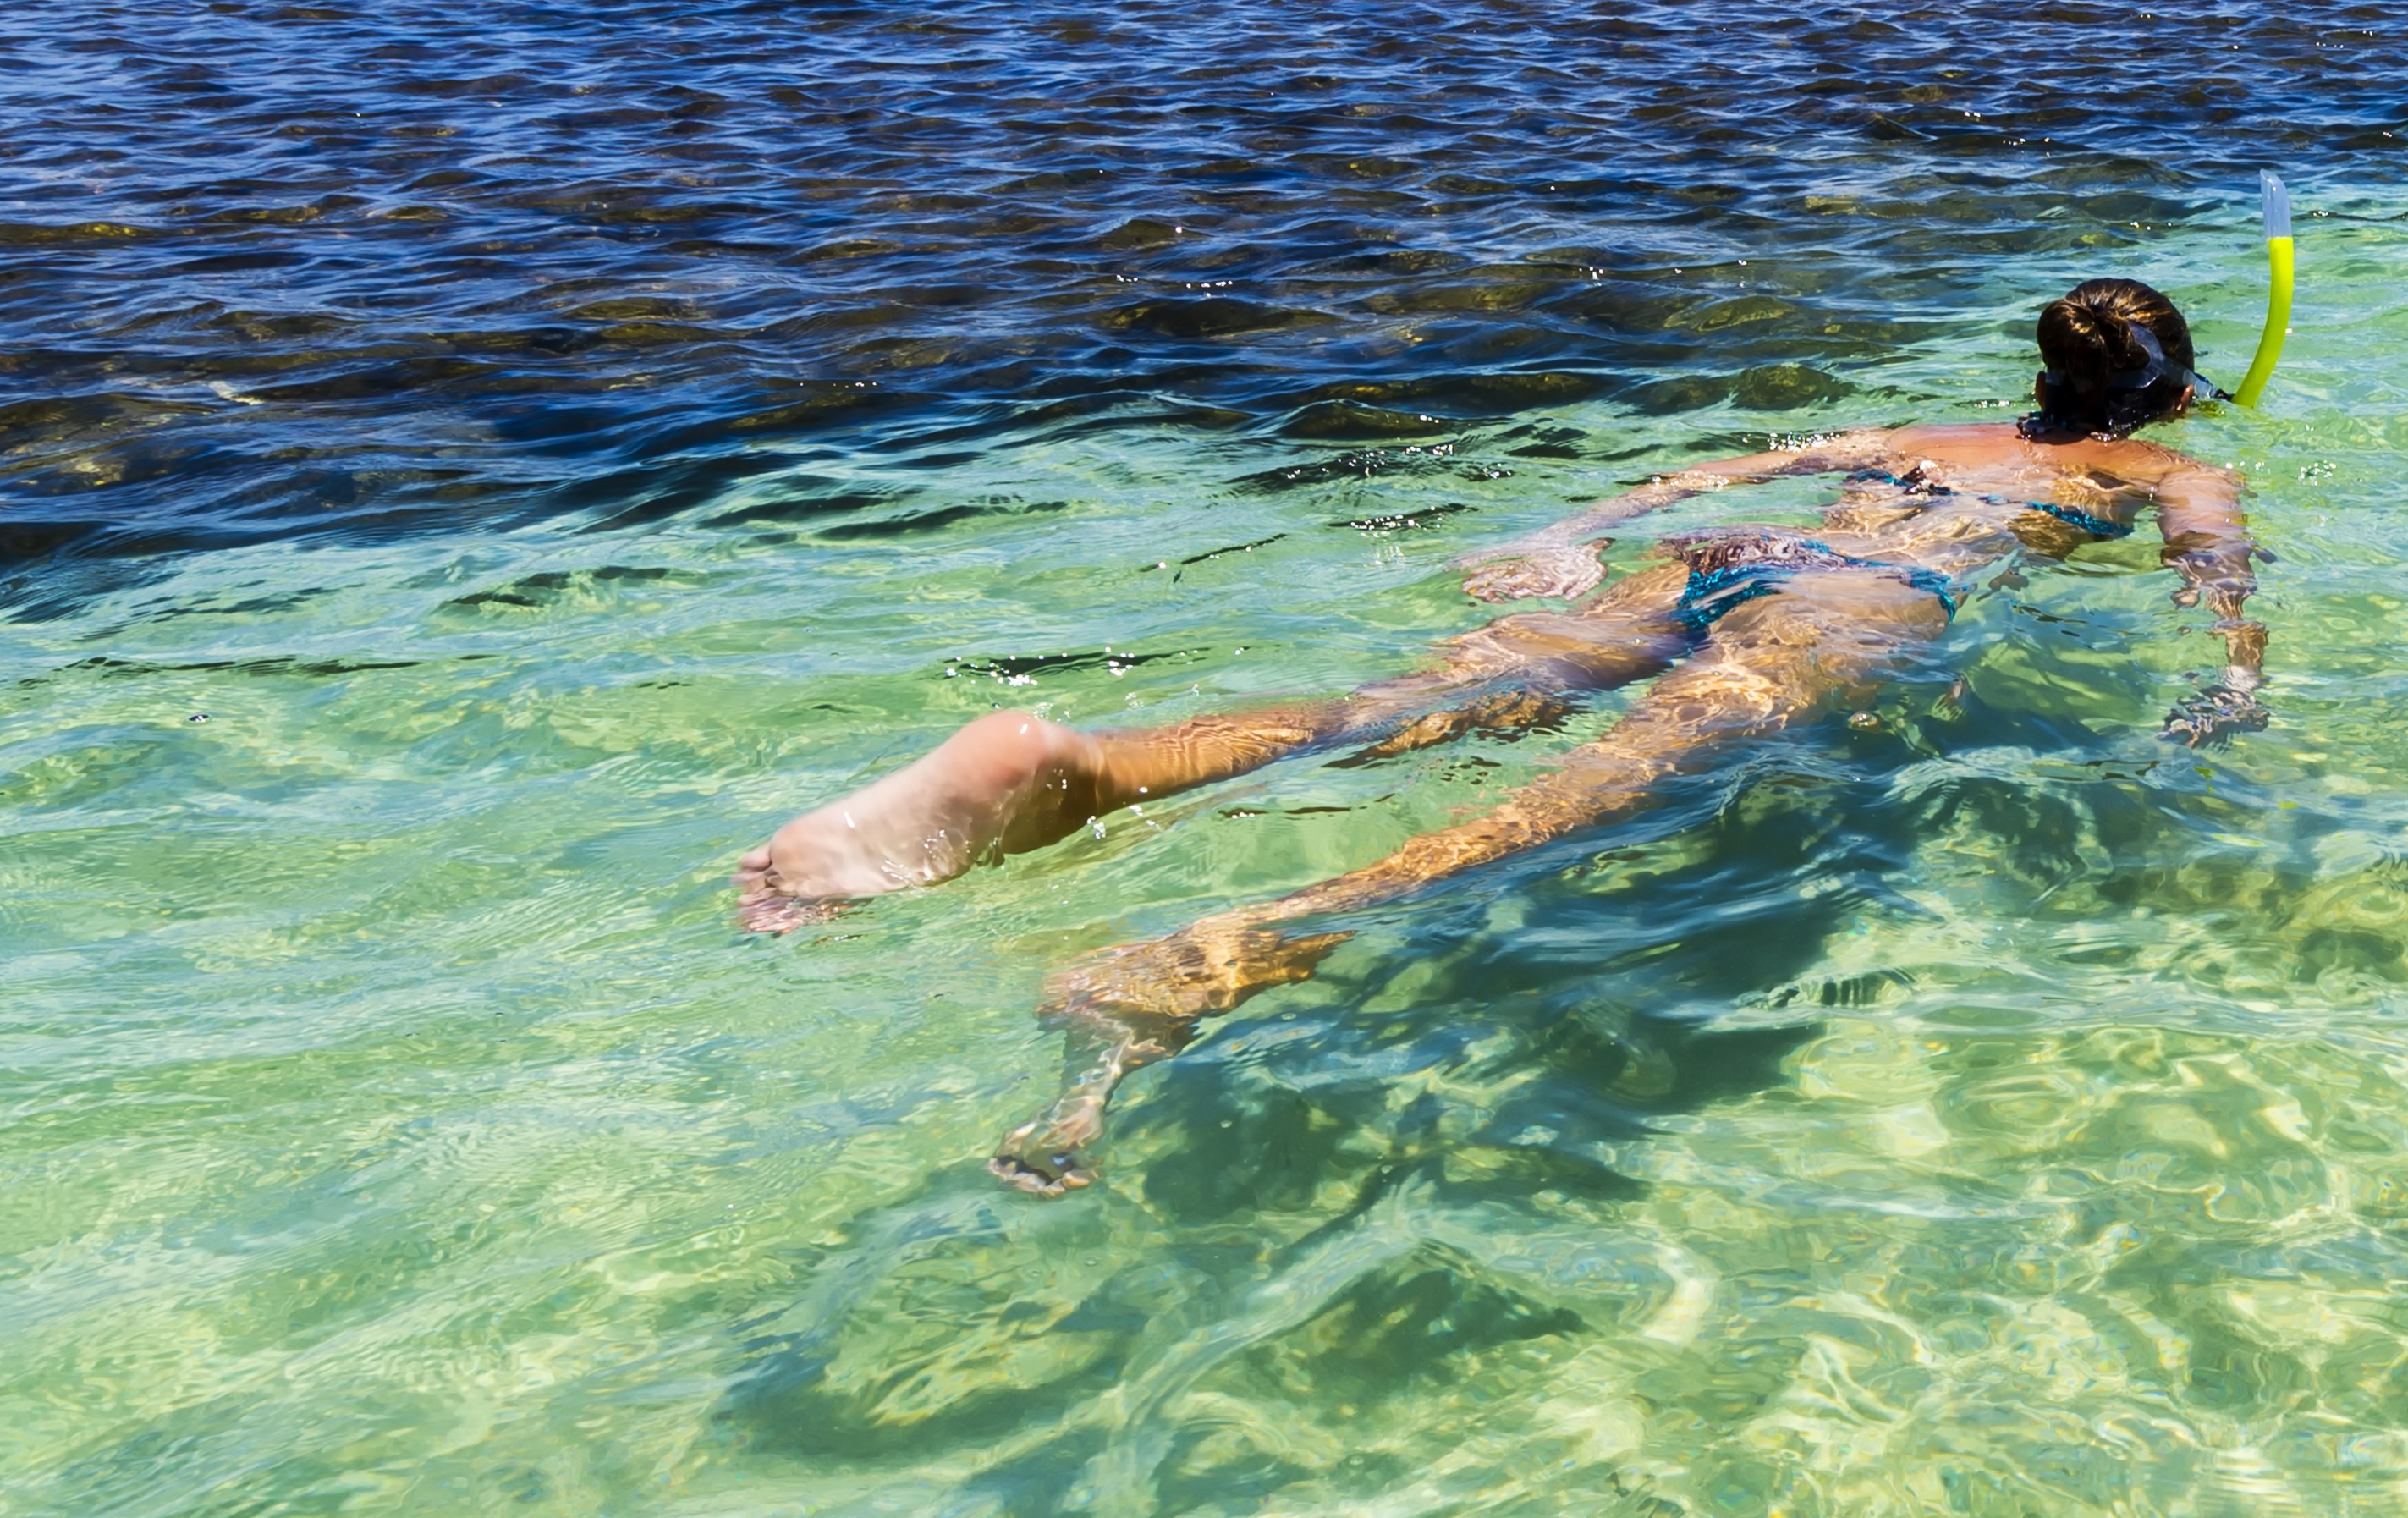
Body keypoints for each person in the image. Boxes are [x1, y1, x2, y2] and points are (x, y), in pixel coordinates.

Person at [737, 278, 2266, 1190]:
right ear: (2168, 389)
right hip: (1871, 601)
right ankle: (1210, 957)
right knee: (1597, 791)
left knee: (1392, 711)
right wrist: (2235, 684)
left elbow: (1706, 473)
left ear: (2041, 370)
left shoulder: (1909, 436)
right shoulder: (2161, 476)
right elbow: (2217, 580)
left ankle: (1081, 768)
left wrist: (1571, 536)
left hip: (1746, 551)